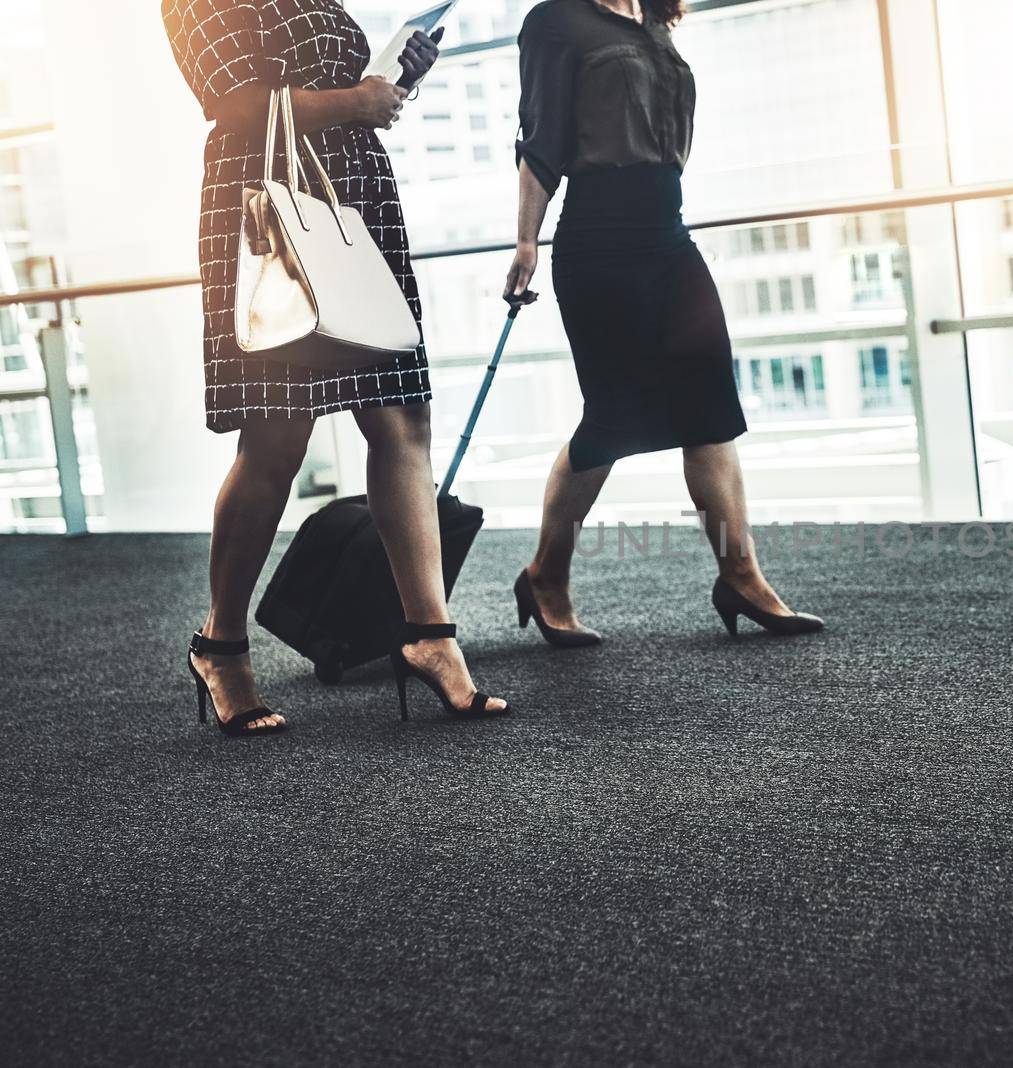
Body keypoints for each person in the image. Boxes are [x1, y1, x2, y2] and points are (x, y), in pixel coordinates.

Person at [162, 0, 506, 733]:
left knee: (403, 416)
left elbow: (339, 85)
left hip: (356, 203)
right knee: (278, 440)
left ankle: (429, 636)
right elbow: (236, 107)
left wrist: (392, 77)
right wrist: (358, 101)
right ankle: (220, 643)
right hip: (270, 217)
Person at [504, 0, 824, 646]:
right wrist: (526, 242)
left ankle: (740, 573)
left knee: (711, 406)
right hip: (599, 239)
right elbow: (539, 143)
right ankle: (546, 576)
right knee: (611, 419)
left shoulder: (654, 24)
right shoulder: (556, 22)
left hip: (667, 237)